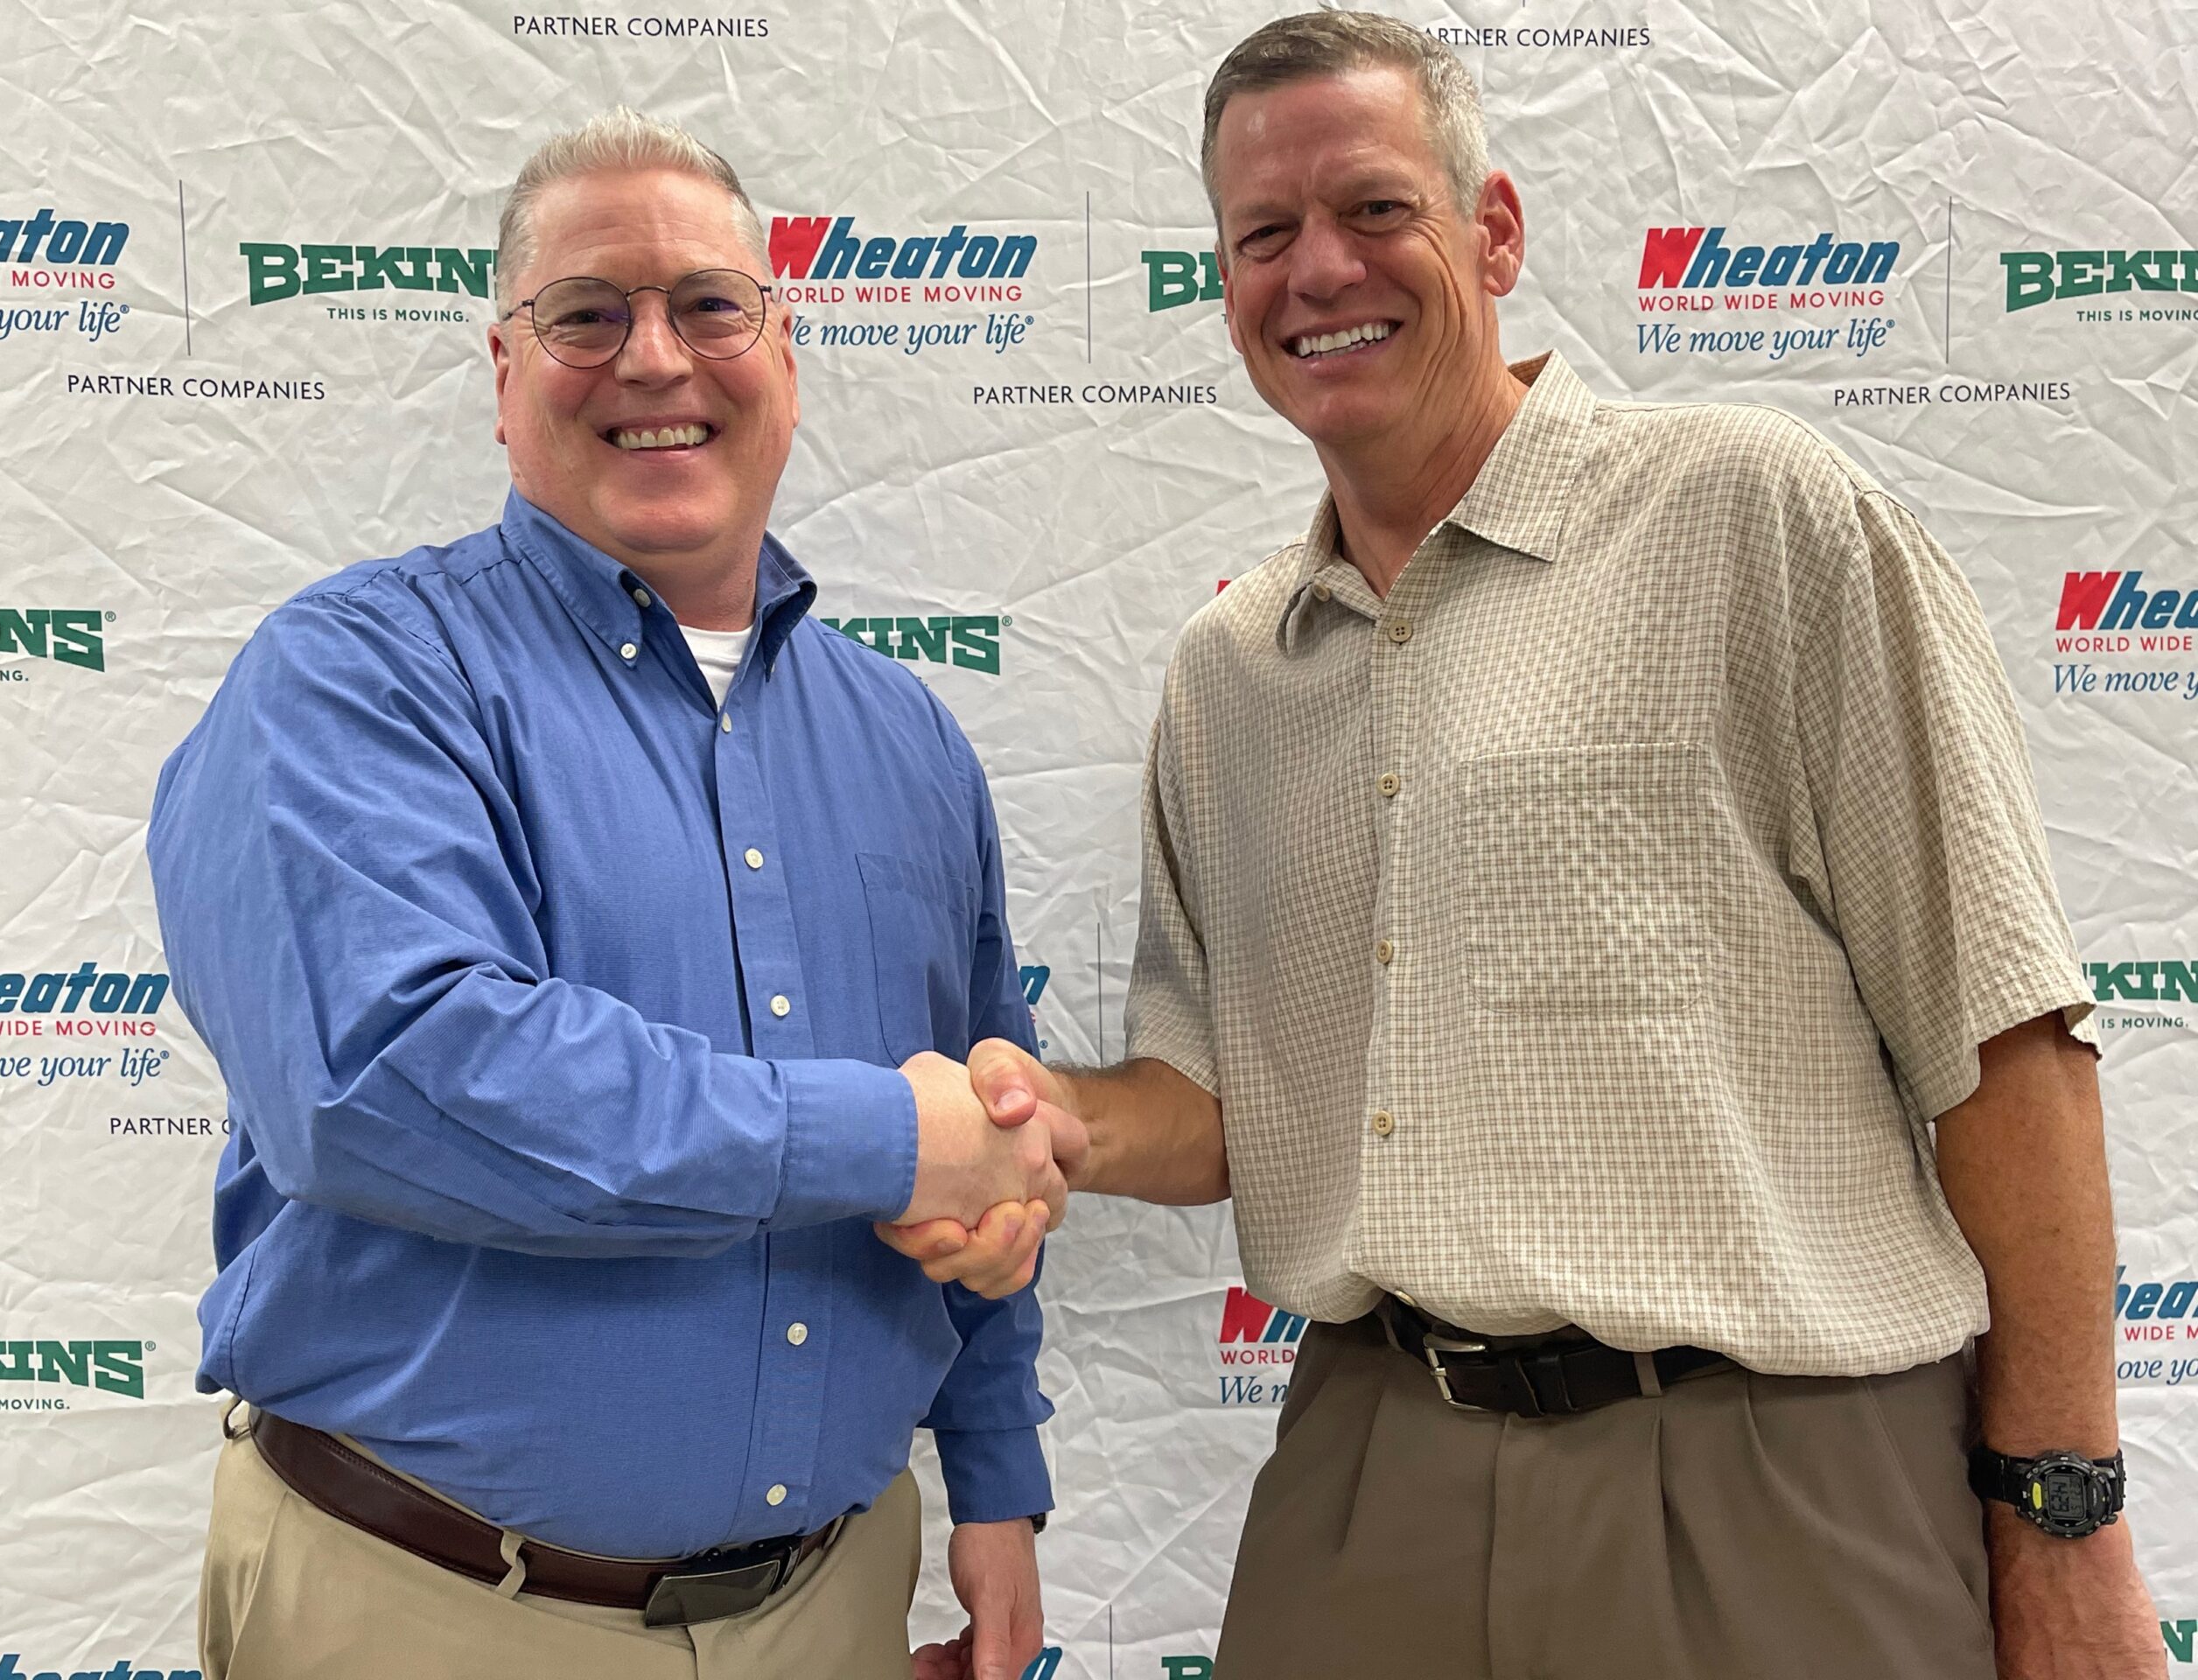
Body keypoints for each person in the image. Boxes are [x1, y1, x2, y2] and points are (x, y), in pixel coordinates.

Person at [886, 13, 2163, 1677]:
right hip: (1372, 1467)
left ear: (1492, 231)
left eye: (1373, 210)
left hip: (1775, 1475)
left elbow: (2008, 1045)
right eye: (1264, 235)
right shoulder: (1232, 675)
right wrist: (1042, 1122)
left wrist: (2064, 1517)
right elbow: (1221, 1101)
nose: (1317, 269)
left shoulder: (1756, 519)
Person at [151, 108, 1069, 1680]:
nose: (657, 358)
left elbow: (992, 1124)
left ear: (785, 352)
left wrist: (995, 1477)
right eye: (587, 314)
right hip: (432, 1612)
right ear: (504, 377)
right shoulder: (362, 678)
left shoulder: (907, 738)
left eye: (711, 305)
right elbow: (390, 1080)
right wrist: (890, 1136)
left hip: (838, 1605)